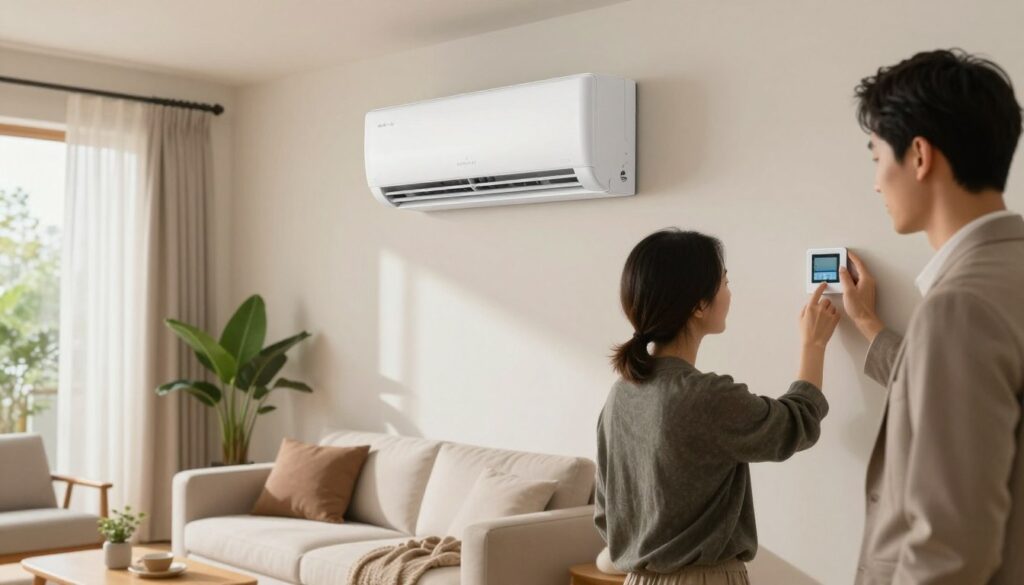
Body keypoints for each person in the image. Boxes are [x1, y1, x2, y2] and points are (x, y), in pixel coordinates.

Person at [844, 49, 1024, 584]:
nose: (877, 182)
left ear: (919, 156)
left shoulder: (959, 307)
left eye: (877, 157)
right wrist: (871, 328)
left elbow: (949, 546)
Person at [594, 228, 839, 585]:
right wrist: (813, 345)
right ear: (698, 305)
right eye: (725, 282)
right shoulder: (704, 397)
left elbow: (606, 515)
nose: (729, 292)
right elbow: (795, 424)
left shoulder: (621, 394)